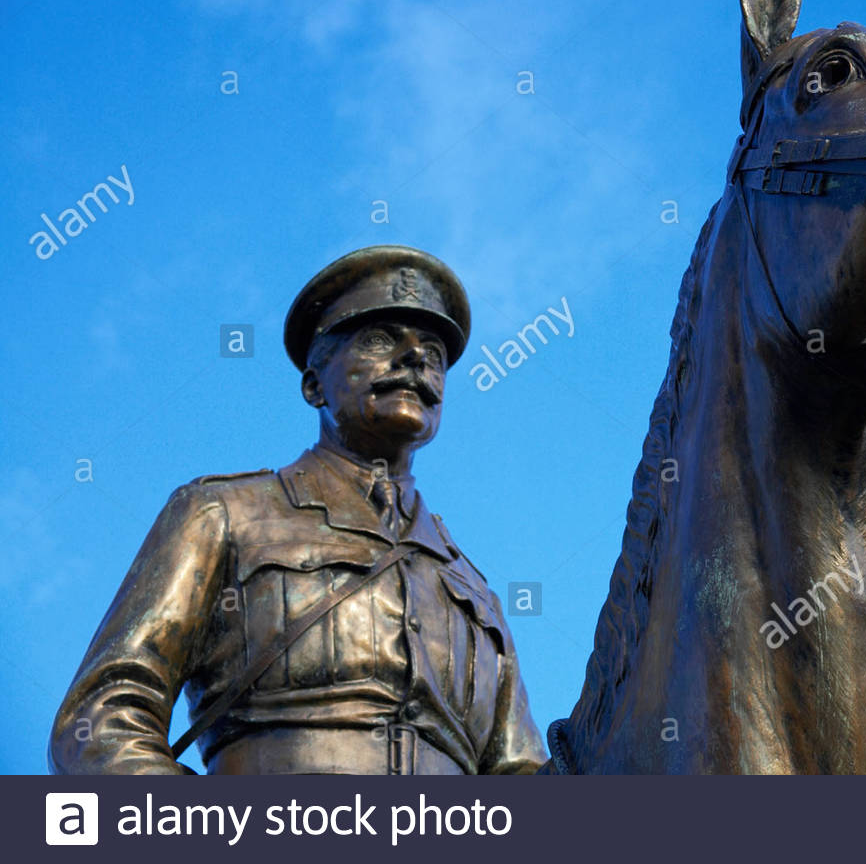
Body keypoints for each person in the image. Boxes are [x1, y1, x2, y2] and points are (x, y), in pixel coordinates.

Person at [49, 245, 548, 774]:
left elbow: (519, 773)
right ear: (314, 385)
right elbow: (100, 720)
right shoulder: (222, 513)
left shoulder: (478, 597)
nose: (416, 361)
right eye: (380, 340)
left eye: (434, 353)